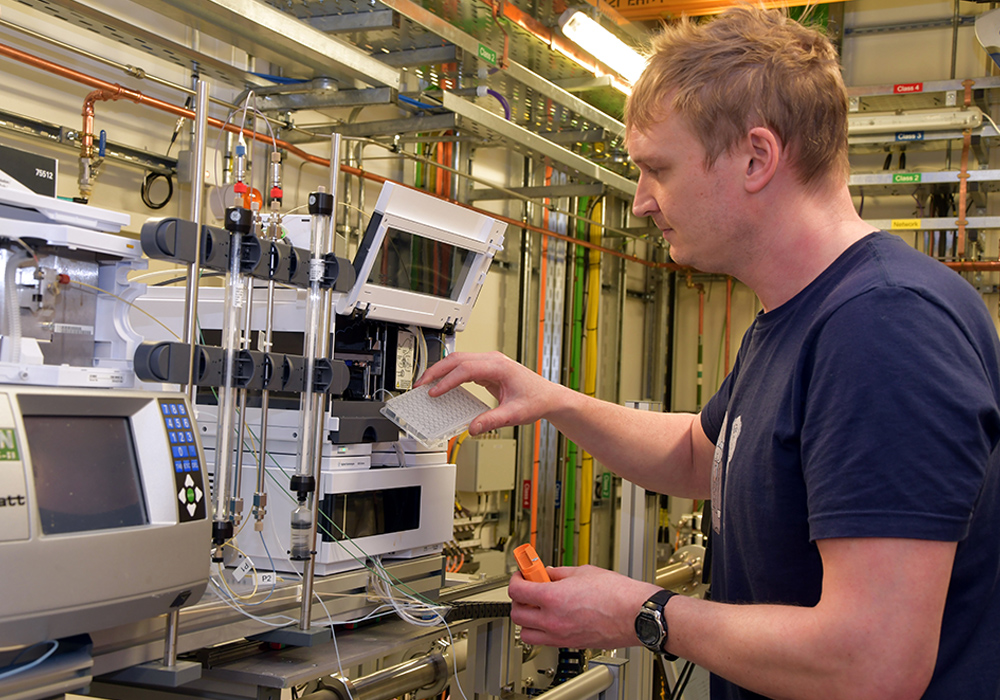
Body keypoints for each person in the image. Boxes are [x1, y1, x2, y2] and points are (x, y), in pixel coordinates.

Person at [417, 6, 1000, 700]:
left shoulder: (883, 327)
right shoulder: (793, 317)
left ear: (757, 157)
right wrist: (552, 400)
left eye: (656, 169)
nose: (640, 202)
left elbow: (874, 662)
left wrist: (642, 613)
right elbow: (705, 454)